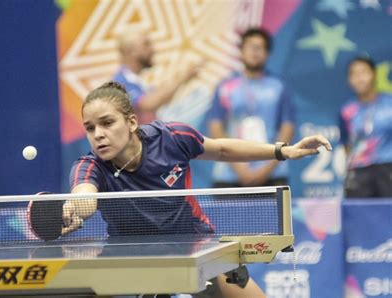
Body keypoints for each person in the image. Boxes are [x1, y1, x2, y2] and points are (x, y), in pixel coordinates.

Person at [62, 81, 331, 297]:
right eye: (89, 128)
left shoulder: (172, 138)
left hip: (197, 247)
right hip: (132, 260)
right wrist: (74, 209)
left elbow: (222, 149)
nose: (98, 134)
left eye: (107, 123)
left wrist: (283, 150)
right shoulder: (90, 166)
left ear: (131, 122)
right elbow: (85, 196)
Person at [208, 27, 295, 187]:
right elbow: (216, 127)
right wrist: (238, 167)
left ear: (267, 53)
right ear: (241, 51)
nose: (255, 52)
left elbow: (287, 128)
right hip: (229, 175)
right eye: (250, 46)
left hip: (272, 174)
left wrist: (267, 168)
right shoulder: (225, 87)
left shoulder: (279, 87)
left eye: (260, 47)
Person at [113, 30, 200, 123]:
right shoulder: (120, 82)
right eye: (146, 44)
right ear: (130, 52)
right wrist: (183, 78)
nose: (153, 49)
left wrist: (183, 77)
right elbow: (149, 104)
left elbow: (163, 99)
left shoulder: (137, 80)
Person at [339, 56, 392, 198]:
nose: (359, 78)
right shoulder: (346, 110)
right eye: (354, 74)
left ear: (374, 74)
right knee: (358, 216)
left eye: (363, 72)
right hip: (359, 172)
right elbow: (346, 144)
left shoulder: (390, 103)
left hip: (388, 168)